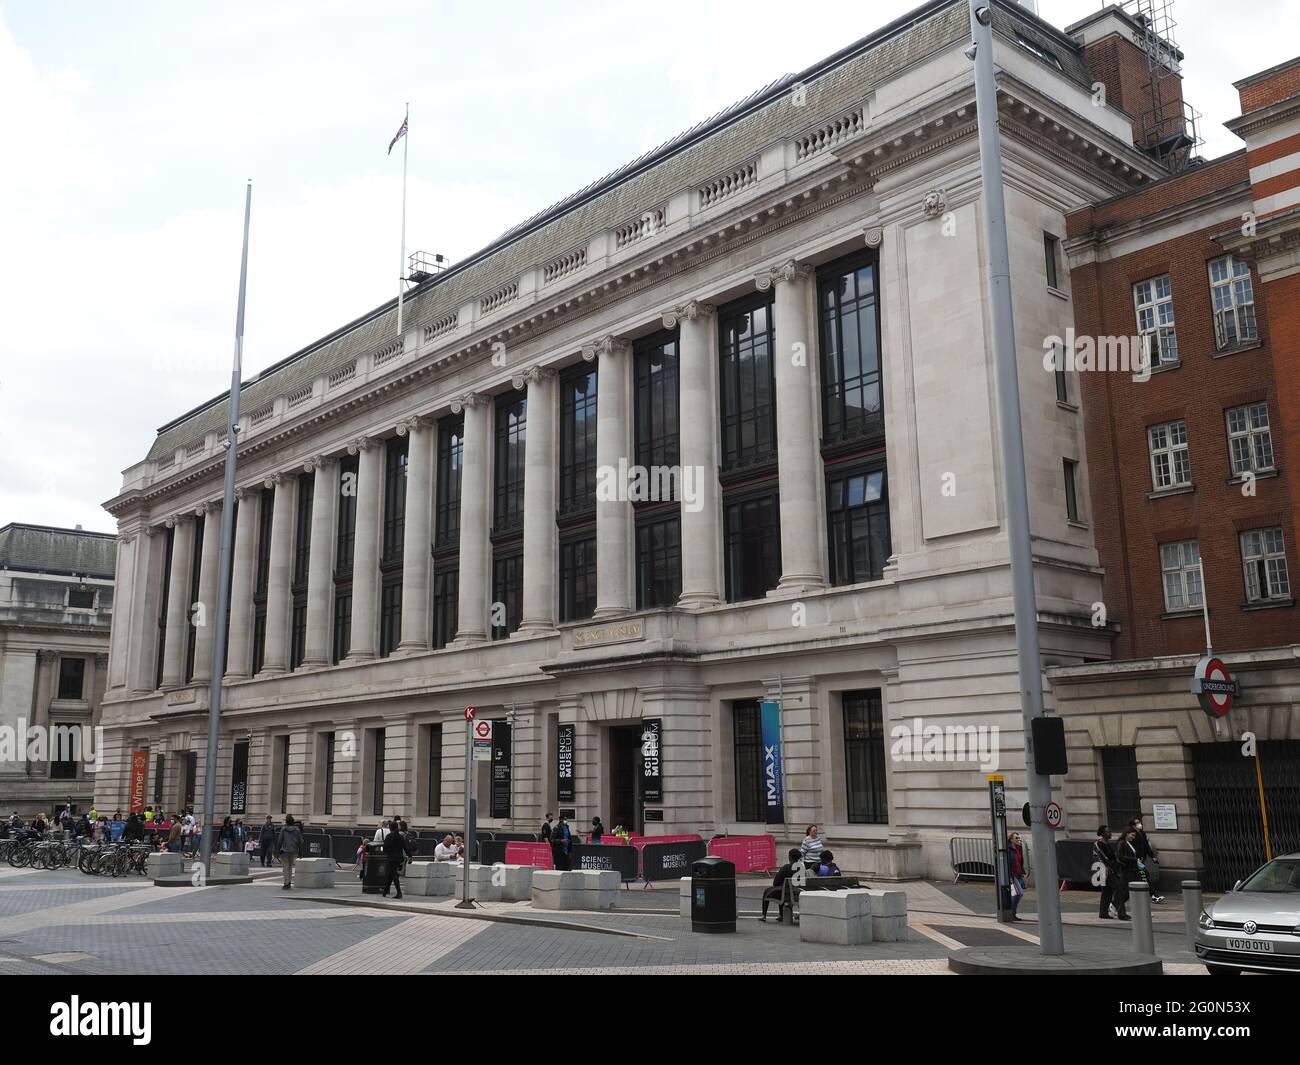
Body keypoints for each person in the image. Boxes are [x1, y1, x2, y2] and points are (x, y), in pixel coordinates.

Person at [1093, 825, 1128, 920]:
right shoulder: (1098, 844)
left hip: (1113, 869)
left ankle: (1103, 912)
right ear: (1103, 834)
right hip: (1106, 870)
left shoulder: (1108, 843)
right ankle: (1121, 913)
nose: (1110, 833)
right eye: (1108, 832)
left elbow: (1114, 857)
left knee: (1107, 891)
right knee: (1119, 889)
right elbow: (1099, 857)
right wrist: (1105, 867)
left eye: (1110, 831)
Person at [761, 849, 804, 922]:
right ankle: (781, 915)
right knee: (783, 890)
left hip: (785, 892)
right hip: (797, 892)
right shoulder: (801, 867)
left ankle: (764, 915)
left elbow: (776, 882)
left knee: (768, 891)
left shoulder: (786, 867)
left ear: (790, 857)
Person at [1127, 817, 1163, 902]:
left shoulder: (1142, 833)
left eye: (1139, 822)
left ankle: (1153, 895)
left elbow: (1146, 846)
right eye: (1137, 823)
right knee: (1144, 876)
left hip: (1141, 859)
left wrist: (1152, 856)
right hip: (1136, 860)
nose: (1139, 824)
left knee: (1143, 877)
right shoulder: (1132, 835)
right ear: (1133, 825)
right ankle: (1154, 895)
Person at [1113, 829, 1140, 921]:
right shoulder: (1122, 843)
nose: (1133, 837)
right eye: (1132, 835)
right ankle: (1120, 911)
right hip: (1124, 870)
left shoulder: (1128, 843)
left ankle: (1116, 906)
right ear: (1127, 834)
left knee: (1127, 892)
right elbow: (1120, 856)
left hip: (1130, 870)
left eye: (1134, 836)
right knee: (1124, 891)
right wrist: (1133, 859)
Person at [382, 820, 411, 899]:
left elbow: (385, 848)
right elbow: (406, 847)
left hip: (391, 857)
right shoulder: (400, 837)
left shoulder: (389, 836)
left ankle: (399, 892)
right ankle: (385, 891)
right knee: (391, 874)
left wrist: (387, 853)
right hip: (399, 858)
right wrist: (410, 856)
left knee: (394, 875)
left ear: (391, 828)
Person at [276, 814, 303, 889]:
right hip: (294, 850)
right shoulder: (297, 830)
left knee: (285, 866)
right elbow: (300, 842)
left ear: (286, 822)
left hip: (285, 850)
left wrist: (277, 851)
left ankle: (286, 882)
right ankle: (289, 881)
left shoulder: (283, 829)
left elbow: (280, 841)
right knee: (290, 866)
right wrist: (300, 852)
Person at [1007, 832, 1027, 921]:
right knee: (1019, 893)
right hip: (1013, 875)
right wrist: (1009, 876)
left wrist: (1023, 873)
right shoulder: (1008, 849)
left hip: (1018, 874)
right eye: (1016, 838)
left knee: (1016, 894)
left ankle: (1012, 913)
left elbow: (1020, 862)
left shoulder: (1018, 848)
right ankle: (1011, 911)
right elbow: (1008, 863)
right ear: (1011, 840)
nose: (1018, 839)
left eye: (1019, 838)